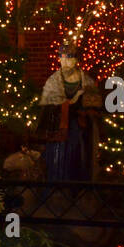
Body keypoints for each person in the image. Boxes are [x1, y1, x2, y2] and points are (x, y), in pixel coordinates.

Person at [37, 44, 100, 182]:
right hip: (58, 130)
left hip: (78, 130)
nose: (65, 62)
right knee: (56, 160)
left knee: (77, 159)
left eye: (69, 58)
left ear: (77, 60)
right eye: (62, 58)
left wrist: (83, 111)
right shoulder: (53, 82)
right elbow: (46, 108)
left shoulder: (87, 82)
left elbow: (94, 108)